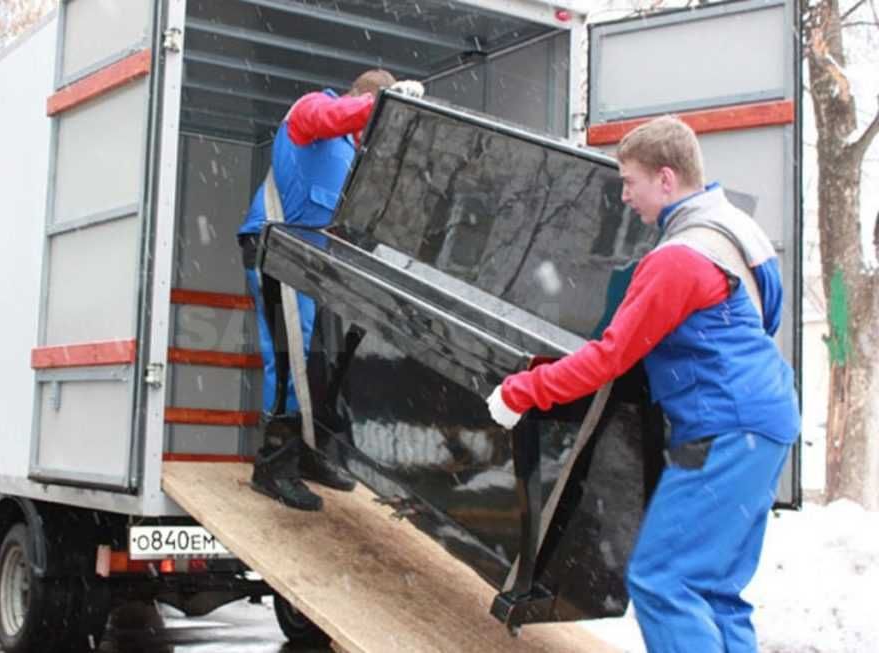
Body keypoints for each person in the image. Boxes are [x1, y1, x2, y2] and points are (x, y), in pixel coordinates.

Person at [486, 116, 800, 652]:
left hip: (721, 430)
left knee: (664, 580)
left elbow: (608, 358)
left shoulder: (676, 259)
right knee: (716, 590)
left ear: (666, 179)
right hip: (765, 421)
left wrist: (520, 390)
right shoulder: (737, 230)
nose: (625, 196)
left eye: (629, 181)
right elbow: (767, 316)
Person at [237, 70, 424, 511]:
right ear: (362, 96)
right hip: (274, 249)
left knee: (319, 361)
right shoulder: (311, 110)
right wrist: (387, 103)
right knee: (290, 360)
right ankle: (273, 466)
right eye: (369, 111)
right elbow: (337, 115)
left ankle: (309, 454)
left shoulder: (347, 148)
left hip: (310, 263)